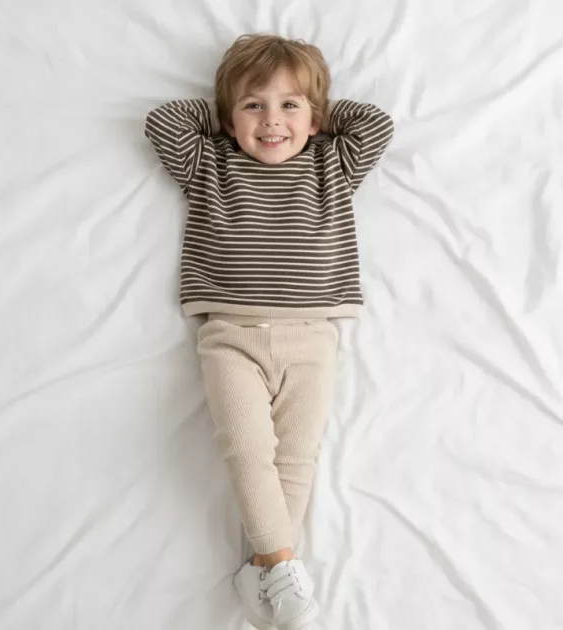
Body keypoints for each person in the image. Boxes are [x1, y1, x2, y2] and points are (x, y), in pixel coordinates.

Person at [145, 33, 394, 630]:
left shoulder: (332, 163)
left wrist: (319, 111)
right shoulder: (209, 162)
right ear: (230, 118)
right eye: (254, 105)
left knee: (297, 457)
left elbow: (376, 124)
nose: (272, 120)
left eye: (290, 105)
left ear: (316, 118)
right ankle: (282, 566)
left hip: (312, 336)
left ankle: (265, 568)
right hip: (230, 335)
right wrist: (223, 111)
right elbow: (163, 121)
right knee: (248, 449)